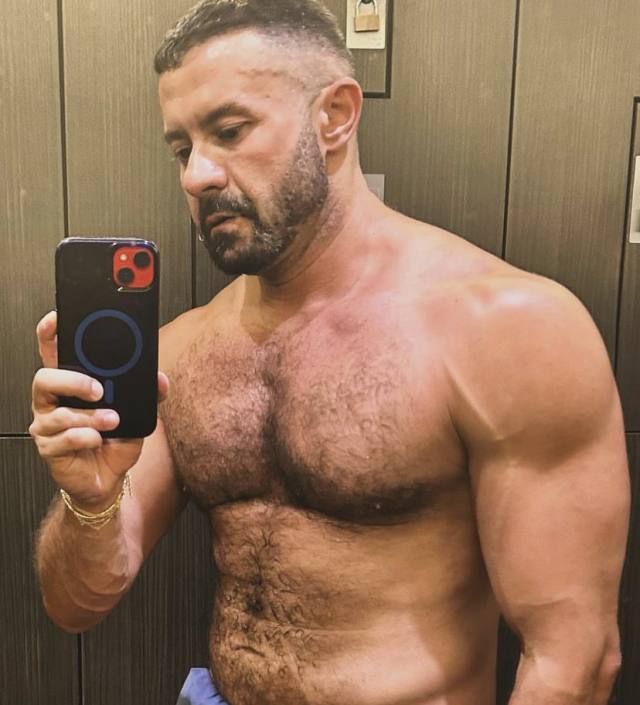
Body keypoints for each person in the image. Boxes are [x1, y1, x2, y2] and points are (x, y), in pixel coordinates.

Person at [30, 1, 630, 704]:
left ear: (335, 116)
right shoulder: (182, 352)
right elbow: (77, 604)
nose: (197, 175)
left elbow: (573, 658)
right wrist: (90, 500)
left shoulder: (506, 330)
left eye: (230, 131)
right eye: (182, 149)